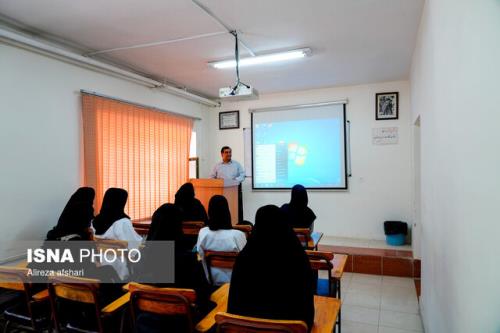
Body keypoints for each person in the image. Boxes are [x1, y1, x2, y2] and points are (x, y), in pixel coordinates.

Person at [227, 205, 315, 329]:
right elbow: (308, 313)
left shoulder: (244, 258)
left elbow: (233, 306)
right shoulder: (298, 258)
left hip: (247, 330)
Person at [91, 188, 142, 280]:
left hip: (99, 265)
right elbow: (133, 248)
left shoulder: (95, 220)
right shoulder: (122, 222)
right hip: (119, 269)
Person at [196, 195, 246, 285]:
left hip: (211, 285)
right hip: (235, 288)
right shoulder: (239, 235)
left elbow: (200, 258)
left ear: (209, 212)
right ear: (227, 211)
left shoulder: (203, 233)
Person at [210, 146, 245, 223]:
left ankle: (235, 223)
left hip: (234, 191)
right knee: (222, 210)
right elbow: (212, 177)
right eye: (226, 152)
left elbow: (242, 175)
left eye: (230, 152)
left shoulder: (236, 164)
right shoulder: (217, 166)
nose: (229, 154)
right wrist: (217, 182)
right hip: (220, 192)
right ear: (222, 154)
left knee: (235, 210)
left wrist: (235, 181)